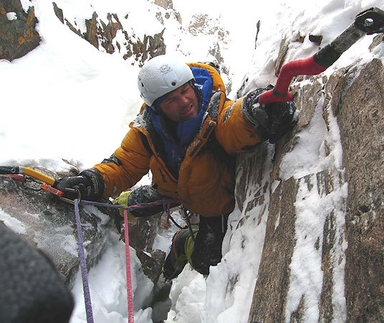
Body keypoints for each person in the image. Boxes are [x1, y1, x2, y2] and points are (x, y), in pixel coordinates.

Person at [56, 54, 297, 280]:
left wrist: (257, 113)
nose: (184, 102)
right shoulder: (148, 129)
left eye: (185, 91)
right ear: (156, 108)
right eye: (171, 99)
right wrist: (92, 181)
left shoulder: (213, 113)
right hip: (171, 189)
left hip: (210, 200)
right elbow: (124, 164)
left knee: (207, 261)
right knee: (135, 204)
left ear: (192, 85)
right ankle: (119, 205)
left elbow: (232, 122)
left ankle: (182, 243)